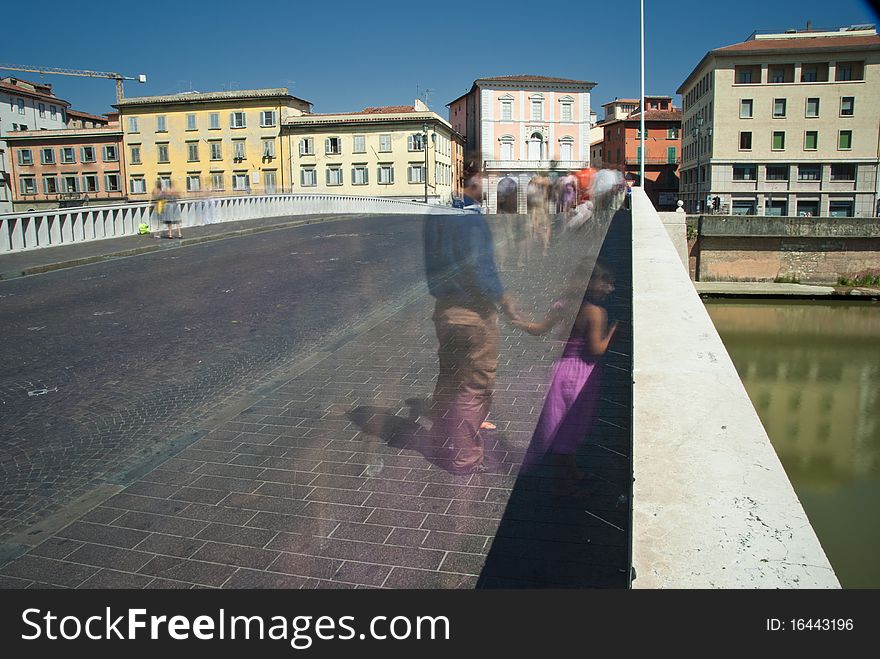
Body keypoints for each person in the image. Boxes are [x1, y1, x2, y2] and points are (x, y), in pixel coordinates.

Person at [424, 157, 523, 474]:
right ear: (477, 179)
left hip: (444, 312)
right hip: (474, 314)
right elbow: (478, 267)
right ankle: (466, 457)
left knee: (448, 379)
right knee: (474, 387)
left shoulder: (436, 215)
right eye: (491, 179)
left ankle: (440, 439)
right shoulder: (470, 220)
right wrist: (504, 299)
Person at [514, 259, 618, 493]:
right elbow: (596, 350)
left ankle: (569, 474)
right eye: (607, 284)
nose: (611, 289)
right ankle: (566, 481)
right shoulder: (596, 313)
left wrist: (520, 322)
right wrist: (612, 333)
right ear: (592, 284)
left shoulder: (564, 304)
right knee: (570, 426)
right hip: (580, 375)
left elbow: (539, 329)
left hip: (558, 371)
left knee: (560, 424)